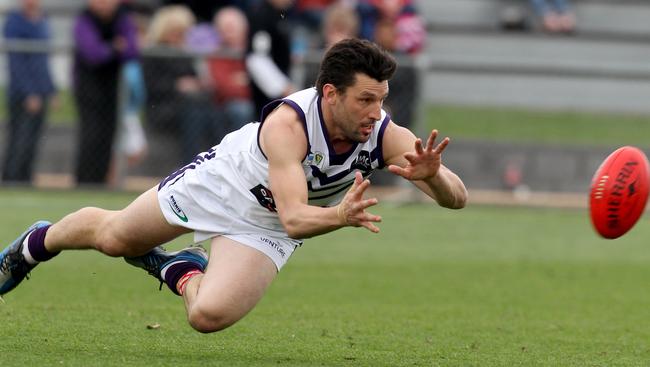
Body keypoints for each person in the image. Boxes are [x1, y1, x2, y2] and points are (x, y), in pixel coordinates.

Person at [0, 39, 467, 334]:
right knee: (115, 237)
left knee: (206, 318)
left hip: (267, 223)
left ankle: (180, 269)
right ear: (330, 93)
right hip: (223, 185)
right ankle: (32, 246)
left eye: (381, 100)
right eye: (365, 99)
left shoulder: (386, 134)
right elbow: (296, 218)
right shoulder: (289, 125)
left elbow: (457, 199)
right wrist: (340, 216)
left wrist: (435, 177)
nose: (375, 111)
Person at [141, 5, 218, 164]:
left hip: (189, 104)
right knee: (195, 112)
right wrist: (177, 85)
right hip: (163, 107)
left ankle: (215, 162)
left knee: (212, 112)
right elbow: (151, 85)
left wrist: (200, 84)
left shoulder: (185, 54)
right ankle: (191, 164)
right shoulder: (153, 53)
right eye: (176, 32)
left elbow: (195, 78)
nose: (180, 37)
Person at [73, 0, 139, 185]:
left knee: (108, 135)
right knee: (91, 134)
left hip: (113, 88)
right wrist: (114, 47)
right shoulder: (84, 19)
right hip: (88, 87)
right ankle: (84, 182)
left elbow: (132, 50)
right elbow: (93, 54)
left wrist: (110, 49)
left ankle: (100, 182)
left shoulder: (122, 19)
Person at [2, 0, 57, 184]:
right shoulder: (14, 21)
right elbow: (16, 63)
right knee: (20, 140)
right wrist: (29, 93)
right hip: (22, 93)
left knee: (34, 140)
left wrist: (51, 90)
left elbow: (44, 61)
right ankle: (12, 179)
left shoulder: (43, 20)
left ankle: (25, 179)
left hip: (41, 92)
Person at [206, 6, 255, 136]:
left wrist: (243, 82)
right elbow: (223, 88)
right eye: (223, 29)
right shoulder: (217, 55)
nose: (227, 33)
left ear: (244, 28)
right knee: (241, 109)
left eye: (231, 28)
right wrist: (248, 83)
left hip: (254, 101)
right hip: (225, 107)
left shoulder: (255, 51)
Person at [245, 0, 296, 117]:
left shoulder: (280, 14)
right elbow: (257, 58)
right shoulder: (262, 15)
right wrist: (282, 87)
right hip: (267, 97)